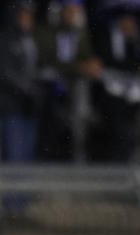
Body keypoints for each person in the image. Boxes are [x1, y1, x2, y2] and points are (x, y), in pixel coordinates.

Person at [35, 0, 101, 160]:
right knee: (54, 129)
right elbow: (51, 60)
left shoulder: (81, 33)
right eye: (69, 11)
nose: (72, 15)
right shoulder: (49, 32)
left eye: (75, 11)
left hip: (76, 91)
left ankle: (78, 162)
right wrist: (77, 67)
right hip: (53, 91)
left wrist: (93, 62)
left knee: (78, 129)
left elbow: (86, 55)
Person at [95, 12, 140, 163]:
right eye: (125, 20)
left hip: (133, 95)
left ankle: (126, 166)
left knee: (129, 133)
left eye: (131, 20)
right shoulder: (108, 37)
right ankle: (115, 169)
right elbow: (110, 62)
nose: (129, 24)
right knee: (116, 133)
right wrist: (135, 66)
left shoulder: (138, 39)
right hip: (113, 94)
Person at [0, 1, 41, 164]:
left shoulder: (32, 40)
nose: (27, 20)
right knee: (15, 157)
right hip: (12, 107)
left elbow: (35, 70)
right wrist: (27, 88)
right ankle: (13, 191)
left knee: (28, 157)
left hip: (30, 107)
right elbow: (3, 72)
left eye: (29, 16)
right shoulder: (5, 39)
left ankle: (24, 190)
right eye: (23, 16)